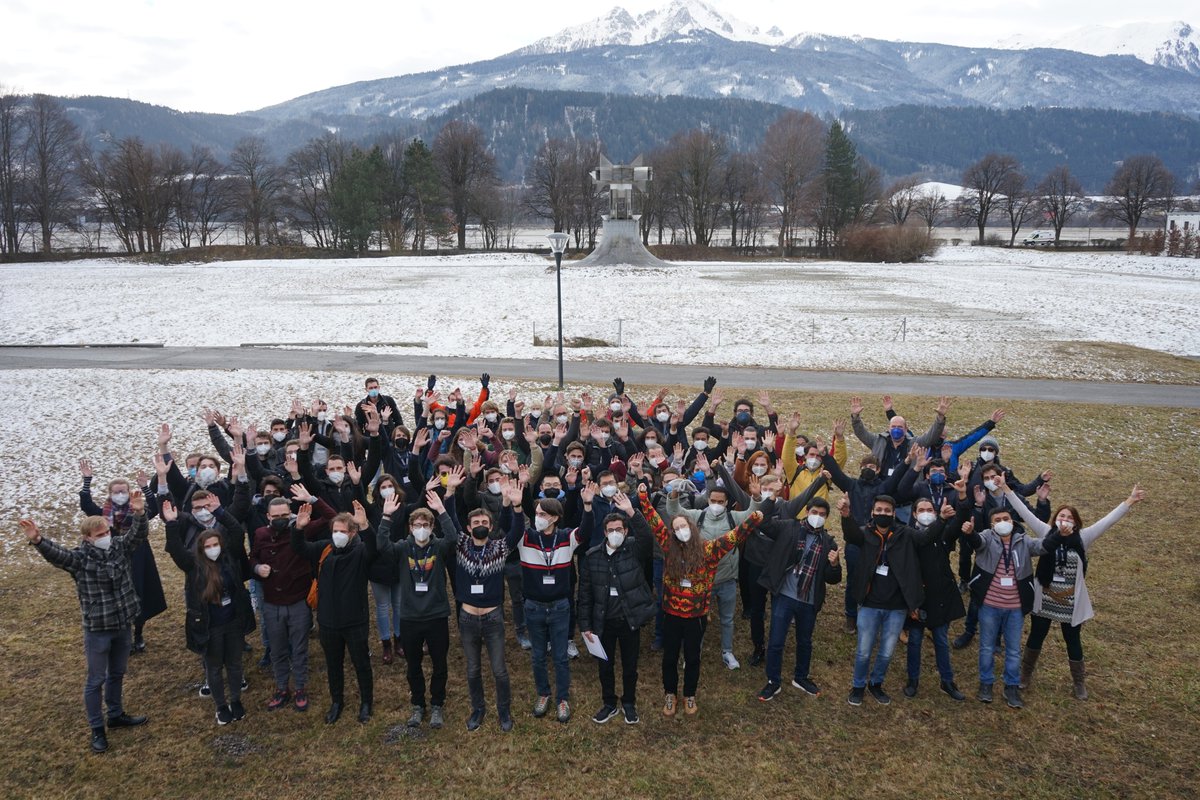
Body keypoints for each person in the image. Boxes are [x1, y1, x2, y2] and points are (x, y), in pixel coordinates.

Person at [22, 491, 150, 754]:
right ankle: (97, 729)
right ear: (87, 539)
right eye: (99, 535)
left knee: (117, 673)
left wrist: (139, 513)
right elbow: (59, 555)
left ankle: (115, 715)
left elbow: (137, 535)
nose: (105, 537)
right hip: (98, 630)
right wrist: (38, 541)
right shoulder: (80, 560)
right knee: (95, 680)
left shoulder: (120, 548)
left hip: (123, 624)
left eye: (106, 532)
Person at [1008, 483, 1146, 700]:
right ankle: (1025, 675)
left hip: (1070, 601)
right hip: (1045, 597)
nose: (1065, 519)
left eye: (1070, 517)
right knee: (1036, 636)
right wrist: (1007, 489)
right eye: (1062, 516)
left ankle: (1079, 682)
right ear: (1055, 520)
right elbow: (1024, 512)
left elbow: (1107, 521)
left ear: (1076, 522)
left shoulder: (1083, 537)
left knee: (1072, 640)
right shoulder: (1046, 532)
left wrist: (1129, 501)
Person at [639, 490, 763, 717]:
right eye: (676, 529)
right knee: (670, 657)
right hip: (671, 614)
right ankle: (670, 694)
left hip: (696, 616)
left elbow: (734, 537)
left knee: (693, 656)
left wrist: (753, 519)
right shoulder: (669, 547)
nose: (680, 531)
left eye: (683, 527)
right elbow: (654, 521)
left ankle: (689, 695)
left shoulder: (709, 550)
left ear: (692, 528)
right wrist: (644, 498)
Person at [839, 493, 945, 706]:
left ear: (894, 514)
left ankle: (876, 683)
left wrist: (941, 519)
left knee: (887, 652)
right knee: (863, 651)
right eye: (879, 510)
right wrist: (846, 515)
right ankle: (858, 685)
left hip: (896, 606)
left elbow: (925, 538)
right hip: (869, 604)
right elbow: (851, 536)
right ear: (872, 512)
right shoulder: (865, 533)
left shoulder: (905, 534)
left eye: (887, 511)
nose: (883, 514)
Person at [163, 498, 256, 727]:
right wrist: (172, 524)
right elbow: (174, 548)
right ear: (200, 549)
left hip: (233, 622)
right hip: (209, 626)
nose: (213, 549)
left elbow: (236, 531)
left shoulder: (229, 559)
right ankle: (221, 706)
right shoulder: (192, 565)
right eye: (208, 546)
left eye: (216, 544)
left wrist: (221, 512)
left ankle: (235, 700)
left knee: (234, 664)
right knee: (214, 668)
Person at [960, 480, 1049, 709]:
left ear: (1012, 521)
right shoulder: (987, 538)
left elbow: (1044, 546)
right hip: (989, 605)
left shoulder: (1023, 541)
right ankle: (986, 684)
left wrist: (1061, 535)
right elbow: (976, 543)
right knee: (987, 646)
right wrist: (970, 534)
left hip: (1015, 608)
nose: (1002, 523)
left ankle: (1011, 686)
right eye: (997, 521)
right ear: (991, 524)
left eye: (1005, 519)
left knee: (1012, 649)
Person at [291, 501, 378, 724]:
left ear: (352, 533)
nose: (337, 535)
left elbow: (374, 548)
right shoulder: (325, 548)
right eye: (335, 531)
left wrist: (366, 525)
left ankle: (366, 702)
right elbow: (300, 549)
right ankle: (336, 701)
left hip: (354, 619)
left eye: (342, 531)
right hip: (328, 620)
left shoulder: (360, 551)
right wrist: (299, 529)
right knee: (333, 663)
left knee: (361, 663)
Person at [376, 491, 457, 730]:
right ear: (410, 528)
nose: (421, 528)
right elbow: (382, 546)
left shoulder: (439, 547)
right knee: (413, 664)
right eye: (417, 525)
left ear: (432, 527)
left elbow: (453, 539)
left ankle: (437, 704)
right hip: (410, 617)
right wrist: (386, 518)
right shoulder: (402, 548)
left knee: (440, 663)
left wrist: (442, 511)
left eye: (425, 525)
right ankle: (418, 704)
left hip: (437, 615)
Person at [506, 493, 589, 723]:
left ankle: (562, 698)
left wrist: (588, 506)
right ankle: (543, 693)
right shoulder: (526, 537)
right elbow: (510, 531)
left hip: (561, 607)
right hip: (533, 607)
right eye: (536, 514)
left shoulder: (566, 537)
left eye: (542, 514)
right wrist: (513, 506)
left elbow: (586, 530)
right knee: (538, 656)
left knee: (560, 657)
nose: (538, 518)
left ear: (554, 518)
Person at [250, 491, 336, 713]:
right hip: (271, 601)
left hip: (298, 599)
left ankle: (299, 687)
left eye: (285, 515)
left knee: (299, 647)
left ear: (291, 514)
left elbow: (331, 517)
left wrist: (313, 499)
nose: (280, 519)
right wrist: (258, 569)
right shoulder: (259, 533)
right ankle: (281, 688)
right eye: (275, 515)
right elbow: (253, 558)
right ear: (268, 516)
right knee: (277, 648)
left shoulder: (301, 527)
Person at [752, 494, 842, 701]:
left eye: (822, 514)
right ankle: (773, 681)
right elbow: (763, 522)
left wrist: (835, 565)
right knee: (776, 641)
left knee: (805, 641)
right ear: (807, 512)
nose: (817, 517)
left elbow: (832, 579)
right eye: (814, 512)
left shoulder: (829, 543)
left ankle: (801, 677)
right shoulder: (788, 527)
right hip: (784, 595)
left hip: (809, 601)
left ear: (826, 518)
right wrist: (770, 500)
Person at [578, 493, 655, 725]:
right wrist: (586, 626)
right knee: (605, 665)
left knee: (630, 666)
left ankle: (629, 702)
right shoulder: (592, 556)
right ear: (604, 532)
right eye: (610, 529)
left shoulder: (634, 549)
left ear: (625, 531)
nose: (615, 533)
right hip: (603, 621)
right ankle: (609, 703)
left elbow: (648, 537)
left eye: (619, 529)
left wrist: (632, 512)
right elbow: (585, 594)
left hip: (629, 618)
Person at [78, 459, 167, 655]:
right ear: (110, 494)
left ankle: (139, 635)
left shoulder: (136, 510)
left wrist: (145, 487)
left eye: (123, 491)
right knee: (118, 596)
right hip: (113, 560)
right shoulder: (103, 515)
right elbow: (86, 505)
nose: (120, 495)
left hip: (139, 556)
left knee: (140, 592)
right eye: (116, 492)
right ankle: (122, 637)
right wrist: (87, 480)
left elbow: (154, 506)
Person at [449, 495, 515, 732]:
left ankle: (504, 710)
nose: (480, 525)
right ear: (468, 528)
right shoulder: (461, 545)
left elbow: (516, 532)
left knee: (499, 669)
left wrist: (515, 506)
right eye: (475, 522)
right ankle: (478, 709)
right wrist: (449, 496)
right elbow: (450, 521)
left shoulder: (500, 547)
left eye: (484, 523)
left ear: (490, 526)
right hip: (467, 618)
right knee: (473, 669)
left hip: (493, 618)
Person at [902, 498, 967, 701]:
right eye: (921, 510)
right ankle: (912, 680)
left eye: (930, 509)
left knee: (941, 640)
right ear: (913, 514)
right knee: (914, 641)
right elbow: (924, 539)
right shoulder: (907, 533)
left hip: (940, 596)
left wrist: (963, 497)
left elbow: (959, 522)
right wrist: (941, 519)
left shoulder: (943, 531)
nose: (926, 513)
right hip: (917, 597)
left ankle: (947, 681)